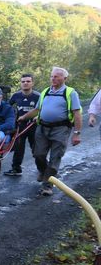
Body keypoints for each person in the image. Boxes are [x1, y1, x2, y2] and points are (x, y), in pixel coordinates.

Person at [18, 67, 82, 196]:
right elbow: (37, 109)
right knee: (38, 154)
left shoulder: (70, 93)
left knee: (55, 158)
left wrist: (76, 133)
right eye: (52, 76)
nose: (53, 79)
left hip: (61, 129)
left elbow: (77, 113)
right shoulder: (45, 91)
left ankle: (47, 185)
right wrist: (24, 117)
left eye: (57, 76)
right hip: (42, 128)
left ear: (64, 78)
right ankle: (44, 172)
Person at [4, 74, 40, 176]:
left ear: (32, 83)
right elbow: (7, 108)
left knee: (36, 149)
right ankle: (16, 169)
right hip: (20, 125)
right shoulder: (16, 96)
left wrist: (38, 117)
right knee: (18, 148)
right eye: (23, 81)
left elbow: (44, 109)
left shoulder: (38, 96)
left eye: (28, 81)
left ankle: (42, 169)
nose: (25, 83)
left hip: (34, 126)